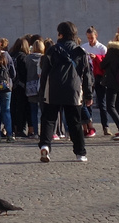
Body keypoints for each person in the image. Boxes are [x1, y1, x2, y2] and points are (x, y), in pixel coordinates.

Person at [36, 21, 92, 163]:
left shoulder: (52, 50)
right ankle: (80, 153)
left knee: (48, 119)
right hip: (73, 89)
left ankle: (45, 145)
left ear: (60, 34)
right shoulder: (80, 52)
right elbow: (87, 76)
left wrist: (42, 92)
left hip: (53, 89)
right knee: (75, 122)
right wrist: (88, 94)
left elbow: (44, 74)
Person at [82, 27, 108, 137]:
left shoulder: (102, 48)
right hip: (88, 77)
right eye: (88, 38)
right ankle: (89, 126)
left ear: (96, 36)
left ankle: (105, 126)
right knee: (88, 102)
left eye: (92, 38)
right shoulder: (83, 47)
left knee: (102, 103)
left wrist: (96, 57)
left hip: (99, 76)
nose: (90, 40)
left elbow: (106, 63)